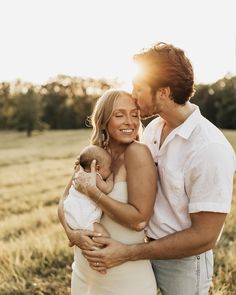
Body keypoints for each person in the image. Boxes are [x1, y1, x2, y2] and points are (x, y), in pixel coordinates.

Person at [74, 42, 236, 295]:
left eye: (139, 88)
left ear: (163, 92)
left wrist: (129, 253)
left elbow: (206, 236)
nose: (133, 95)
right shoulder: (153, 130)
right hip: (144, 249)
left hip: (181, 263)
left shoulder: (209, 149)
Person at [58, 89, 158, 295]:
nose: (129, 121)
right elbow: (65, 201)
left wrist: (95, 194)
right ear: (103, 121)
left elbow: (138, 220)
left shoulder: (138, 153)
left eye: (134, 114)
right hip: (85, 274)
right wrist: (73, 235)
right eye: (119, 115)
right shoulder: (94, 153)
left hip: (125, 277)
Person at [63, 144, 113, 237]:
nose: (111, 169)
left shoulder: (81, 173)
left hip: (70, 215)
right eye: (110, 167)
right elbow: (107, 188)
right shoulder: (94, 176)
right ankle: (98, 249)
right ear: (97, 168)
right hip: (83, 218)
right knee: (105, 235)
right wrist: (113, 175)